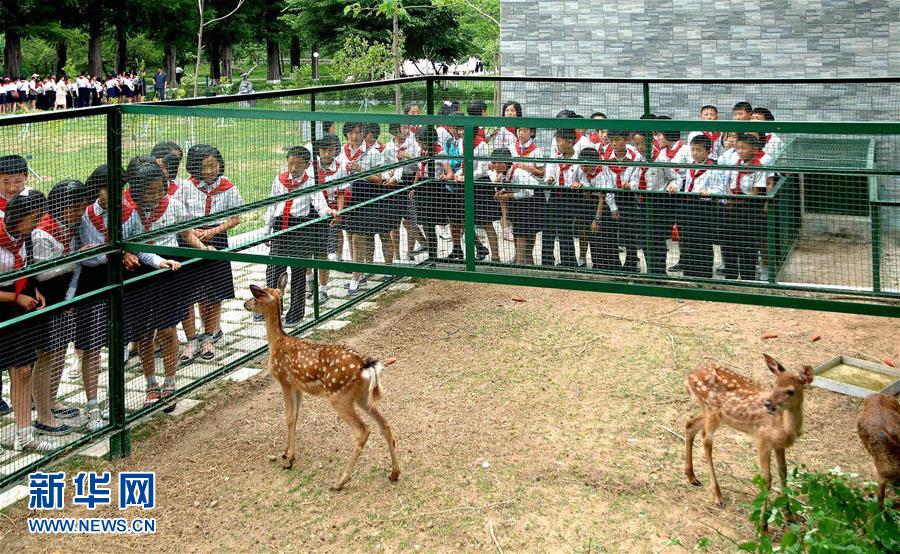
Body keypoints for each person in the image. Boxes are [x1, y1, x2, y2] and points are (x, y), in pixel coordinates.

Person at [31, 180, 92, 436]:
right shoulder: (43, 233)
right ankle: (43, 415)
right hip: (46, 299)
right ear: (58, 206)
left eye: (81, 208)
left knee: (59, 351)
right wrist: (78, 256)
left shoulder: (69, 226)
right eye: (73, 208)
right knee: (44, 356)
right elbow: (44, 274)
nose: (78, 214)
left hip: (64, 298)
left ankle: (52, 400)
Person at [0, 189, 54, 451]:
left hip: (17, 305)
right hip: (6, 303)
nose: (37, 224)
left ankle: (24, 435)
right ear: (17, 216)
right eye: (33, 218)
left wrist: (34, 291)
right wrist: (15, 298)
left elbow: (27, 269)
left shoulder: (28, 238)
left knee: (22, 370)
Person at [179, 145, 243, 362]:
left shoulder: (228, 188)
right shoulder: (186, 187)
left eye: (213, 166)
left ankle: (210, 334)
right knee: (190, 289)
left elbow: (235, 218)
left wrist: (212, 231)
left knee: (214, 291)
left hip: (217, 239)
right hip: (189, 240)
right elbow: (180, 214)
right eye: (204, 167)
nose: (209, 171)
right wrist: (194, 231)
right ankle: (192, 337)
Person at [263, 147, 336, 324]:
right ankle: (270, 308)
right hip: (281, 228)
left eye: (298, 164)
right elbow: (272, 205)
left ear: (307, 165)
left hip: (300, 229)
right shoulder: (279, 180)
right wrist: (267, 230)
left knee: (298, 272)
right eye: (290, 163)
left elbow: (319, 203)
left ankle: (295, 313)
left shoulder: (310, 182)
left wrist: (328, 211)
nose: (293, 168)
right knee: (274, 270)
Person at [722, 133, 772, 281]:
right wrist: (730, 196)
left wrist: (736, 200)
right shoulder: (735, 163)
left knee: (748, 245)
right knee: (729, 242)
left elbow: (756, 191)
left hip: (750, 209)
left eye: (743, 148)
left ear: (755, 150)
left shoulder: (759, 166)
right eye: (738, 148)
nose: (740, 151)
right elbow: (729, 182)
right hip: (732, 208)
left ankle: (747, 276)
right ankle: (730, 275)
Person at [542, 128, 580, 268]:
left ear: (570, 142)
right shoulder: (555, 159)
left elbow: (581, 178)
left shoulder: (578, 161)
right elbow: (549, 173)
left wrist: (578, 184)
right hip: (555, 195)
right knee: (548, 228)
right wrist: (549, 178)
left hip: (571, 197)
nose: (557, 144)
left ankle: (569, 262)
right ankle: (546, 261)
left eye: (559, 141)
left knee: (565, 229)